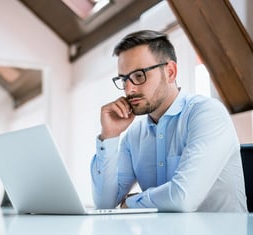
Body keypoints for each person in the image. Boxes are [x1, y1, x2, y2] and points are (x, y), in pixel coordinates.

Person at [90, 30, 247, 212]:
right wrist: (109, 135)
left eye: (139, 76)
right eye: (124, 79)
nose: (129, 89)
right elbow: (104, 204)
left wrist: (130, 203)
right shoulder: (134, 134)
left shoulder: (207, 114)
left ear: (170, 72)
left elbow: (182, 198)